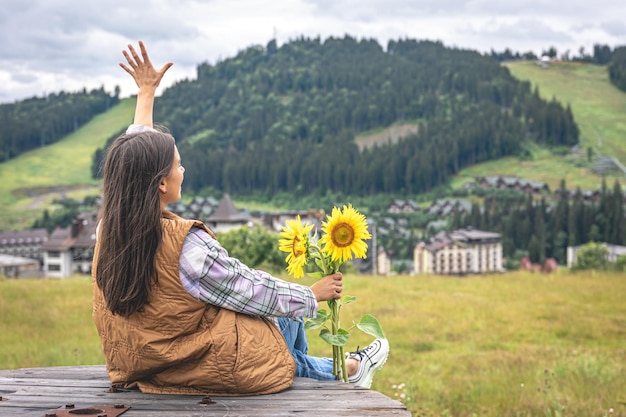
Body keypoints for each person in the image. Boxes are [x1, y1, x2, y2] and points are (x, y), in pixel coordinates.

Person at [92, 41, 389, 396]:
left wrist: (145, 95)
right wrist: (311, 295)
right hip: (206, 363)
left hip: (147, 363)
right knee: (279, 316)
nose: (183, 170)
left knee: (282, 323)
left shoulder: (111, 231)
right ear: (160, 183)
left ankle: (339, 368)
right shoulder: (188, 248)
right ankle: (348, 370)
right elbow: (249, 289)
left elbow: (131, 169)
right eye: (177, 164)